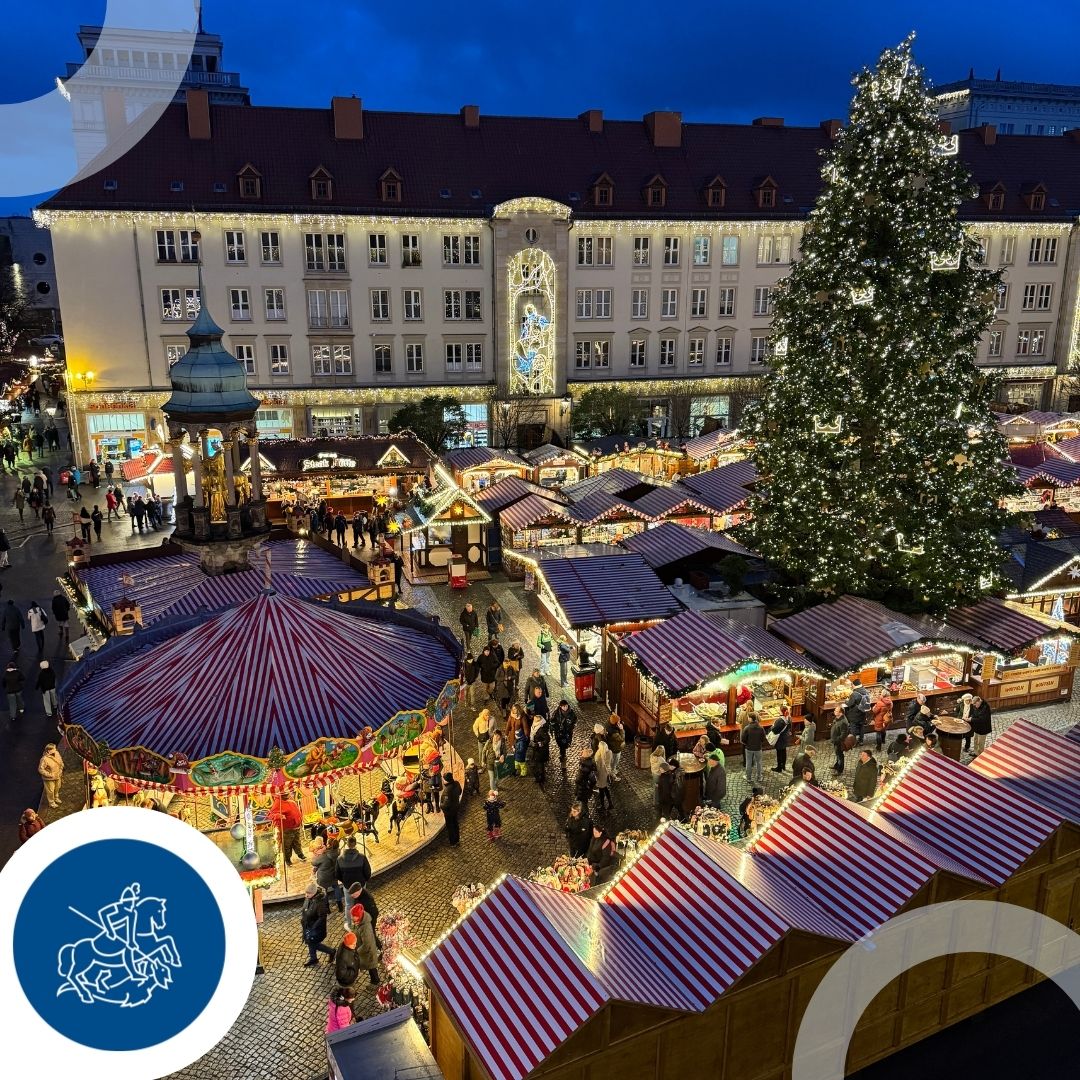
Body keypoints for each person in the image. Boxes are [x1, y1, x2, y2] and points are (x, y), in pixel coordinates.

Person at [301, 883, 334, 966]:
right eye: (306, 893)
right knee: (309, 941)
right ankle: (313, 958)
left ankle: (331, 951)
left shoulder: (320, 903)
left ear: (314, 893)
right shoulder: (309, 898)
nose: (306, 895)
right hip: (308, 926)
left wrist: (313, 927)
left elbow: (322, 917)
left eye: (309, 893)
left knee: (314, 944)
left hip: (316, 929)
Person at [348, 903, 381, 984]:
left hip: (368, 953)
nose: (352, 918)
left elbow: (367, 945)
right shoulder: (359, 921)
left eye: (353, 917)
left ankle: (375, 982)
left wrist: (356, 952)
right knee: (371, 967)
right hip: (365, 952)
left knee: (372, 968)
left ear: (358, 916)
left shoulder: (365, 928)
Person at [269, 794, 305, 866]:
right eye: (285, 794)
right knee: (287, 845)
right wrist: (279, 816)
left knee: (297, 842)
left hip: (296, 827)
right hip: (287, 829)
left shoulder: (291, 801)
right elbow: (270, 815)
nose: (287, 795)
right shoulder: (278, 803)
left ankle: (300, 854)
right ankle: (287, 859)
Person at [311, 837, 343, 912]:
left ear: (328, 845)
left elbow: (314, 862)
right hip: (334, 874)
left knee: (324, 890)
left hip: (324, 877)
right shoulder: (338, 852)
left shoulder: (324, 855)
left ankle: (327, 908)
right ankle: (340, 905)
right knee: (336, 887)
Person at [551, 699, 576, 770]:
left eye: (566, 706)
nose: (565, 708)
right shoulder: (556, 713)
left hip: (568, 733)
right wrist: (556, 728)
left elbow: (575, 720)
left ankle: (563, 757)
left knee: (564, 746)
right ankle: (563, 757)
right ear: (560, 707)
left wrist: (572, 726)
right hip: (559, 733)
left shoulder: (571, 713)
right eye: (563, 706)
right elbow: (552, 721)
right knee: (561, 746)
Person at [38, 742, 64, 808]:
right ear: (49, 750)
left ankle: (56, 798)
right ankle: (51, 802)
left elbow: (60, 761)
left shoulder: (56, 753)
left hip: (58, 775)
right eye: (54, 749)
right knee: (51, 790)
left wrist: (61, 769)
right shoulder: (44, 759)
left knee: (57, 787)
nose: (55, 750)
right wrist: (49, 775)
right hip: (49, 778)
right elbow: (40, 769)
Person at [742, 713, 766, 783]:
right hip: (758, 748)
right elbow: (763, 738)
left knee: (748, 762)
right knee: (759, 763)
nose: (747, 719)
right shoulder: (761, 728)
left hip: (749, 748)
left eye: (748, 717)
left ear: (750, 718)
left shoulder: (747, 728)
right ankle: (759, 777)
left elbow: (743, 739)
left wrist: (747, 744)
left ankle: (748, 778)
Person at [593, 729, 613, 810]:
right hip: (606, 773)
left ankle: (602, 805)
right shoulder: (609, 752)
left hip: (601, 774)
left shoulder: (599, 756)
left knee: (602, 790)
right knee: (605, 788)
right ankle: (610, 803)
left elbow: (597, 766)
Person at [529, 714, 550, 788]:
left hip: (541, 750)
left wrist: (539, 744)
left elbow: (547, 739)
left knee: (540, 764)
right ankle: (539, 778)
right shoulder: (535, 726)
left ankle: (541, 779)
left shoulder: (541, 729)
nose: (534, 720)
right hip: (537, 749)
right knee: (537, 763)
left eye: (535, 719)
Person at [769, 707, 792, 773]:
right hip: (785, 738)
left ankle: (779, 768)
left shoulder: (779, 720)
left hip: (779, 739)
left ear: (782, 712)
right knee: (784, 752)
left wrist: (772, 726)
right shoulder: (789, 718)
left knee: (779, 753)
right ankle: (783, 766)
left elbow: (774, 730)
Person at [441, 774, 462, 845]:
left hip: (449, 811)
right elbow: (460, 792)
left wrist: (441, 805)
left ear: (446, 780)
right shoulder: (456, 783)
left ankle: (452, 842)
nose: (443, 780)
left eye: (443, 779)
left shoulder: (447, 790)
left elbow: (446, 804)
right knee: (455, 824)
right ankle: (457, 839)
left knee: (450, 826)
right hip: (455, 807)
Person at [830, 706, 851, 774]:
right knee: (837, 754)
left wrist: (836, 740)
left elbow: (843, 735)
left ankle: (839, 770)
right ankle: (836, 766)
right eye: (835, 710)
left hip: (839, 742)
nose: (834, 712)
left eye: (836, 711)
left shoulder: (843, 722)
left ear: (841, 713)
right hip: (835, 740)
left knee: (840, 755)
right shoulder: (838, 718)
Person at [607, 713, 626, 780]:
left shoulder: (609, 724)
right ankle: (612, 774)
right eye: (618, 721)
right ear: (615, 723)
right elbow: (621, 739)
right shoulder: (614, 732)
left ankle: (614, 769)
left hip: (613, 747)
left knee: (614, 760)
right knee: (615, 761)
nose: (619, 722)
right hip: (615, 748)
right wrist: (621, 729)